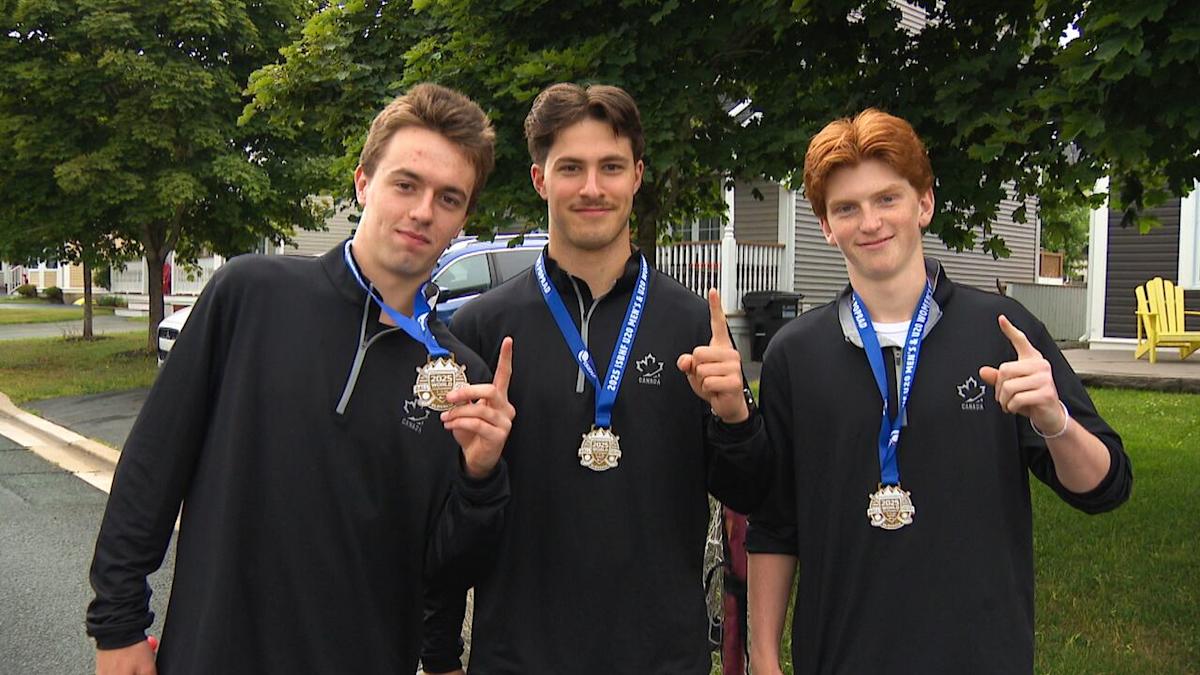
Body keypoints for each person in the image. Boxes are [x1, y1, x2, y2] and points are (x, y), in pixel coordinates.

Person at [86, 83, 516, 675]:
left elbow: (443, 572)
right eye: (406, 184)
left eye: (449, 198)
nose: (423, 211)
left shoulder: (461, 377)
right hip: (213, 654)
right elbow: (152, 467)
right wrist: (118, 623)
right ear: (364, 182)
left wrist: (480, 476)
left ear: (464, 217)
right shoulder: (249, 296)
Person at [746, 108, 1133, 674]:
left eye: (887, 199)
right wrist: (763, 658)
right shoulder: (794, 355)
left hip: (979, 655)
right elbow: (775, 523)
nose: (870, 222)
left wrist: (1055, 420)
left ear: (923, 203)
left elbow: (1104, 486)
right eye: (846, 208)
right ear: (826, 226)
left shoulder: (1003, 332)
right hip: (840, 655)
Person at [420, 82, 773, 674]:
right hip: (519, 658)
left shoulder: (692, 322)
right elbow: (445, 511)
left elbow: (753, 494)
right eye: (571, 168)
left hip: (662, 658)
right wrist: (438, 655)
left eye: (610, 167)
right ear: (539, 180)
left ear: (636, 176)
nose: (591, 188)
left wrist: (736, 417)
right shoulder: (482, 327)